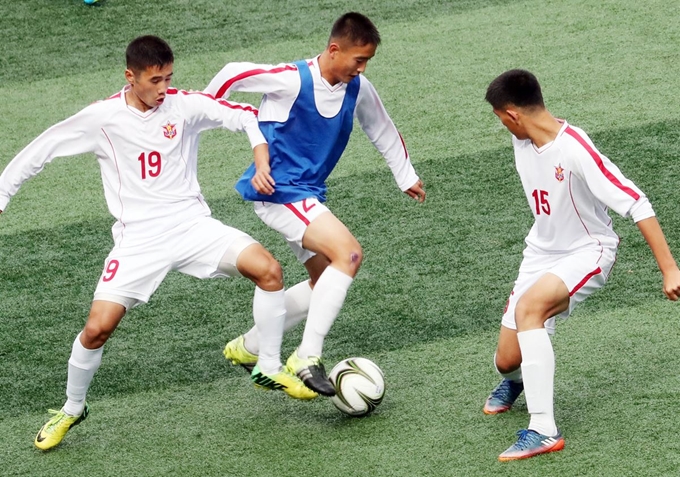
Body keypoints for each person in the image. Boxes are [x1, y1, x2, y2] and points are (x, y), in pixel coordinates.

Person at [0, 35, 318, 452]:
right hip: (139, 241)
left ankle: (269, 365)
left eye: (169, 78)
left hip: (191, 227)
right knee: (97, 330)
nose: (163, 88)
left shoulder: (183, 105)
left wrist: (261, 159)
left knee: (269, 270)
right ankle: (72, 408)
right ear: (130, 77)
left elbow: (245, 116)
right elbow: (42, 148)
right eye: (155, 80)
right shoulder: (102, 118)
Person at [197, 12, 426, 396]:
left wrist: (405, 175)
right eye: (358, 59)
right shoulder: (291, 80)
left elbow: (382, 128)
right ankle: (307, 356)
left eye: (367, 60)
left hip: (306, 194)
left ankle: (249, 347)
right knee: (349, 254)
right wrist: (200, 112)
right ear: (334, 50)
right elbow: (233, 72)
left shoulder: (359, 88)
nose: (362, 67)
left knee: (324, 280)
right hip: (281, 192)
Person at [483, 69, 680, 461]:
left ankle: (543, 429)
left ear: (512, 114)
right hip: (540, 252)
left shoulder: (575, 149)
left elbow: (636, 201)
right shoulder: (521, 137)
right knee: (506, 360)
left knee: (529, 310)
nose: (501, 125)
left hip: (587, 252)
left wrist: (670, 269)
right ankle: (519, 380)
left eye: (499, 118)